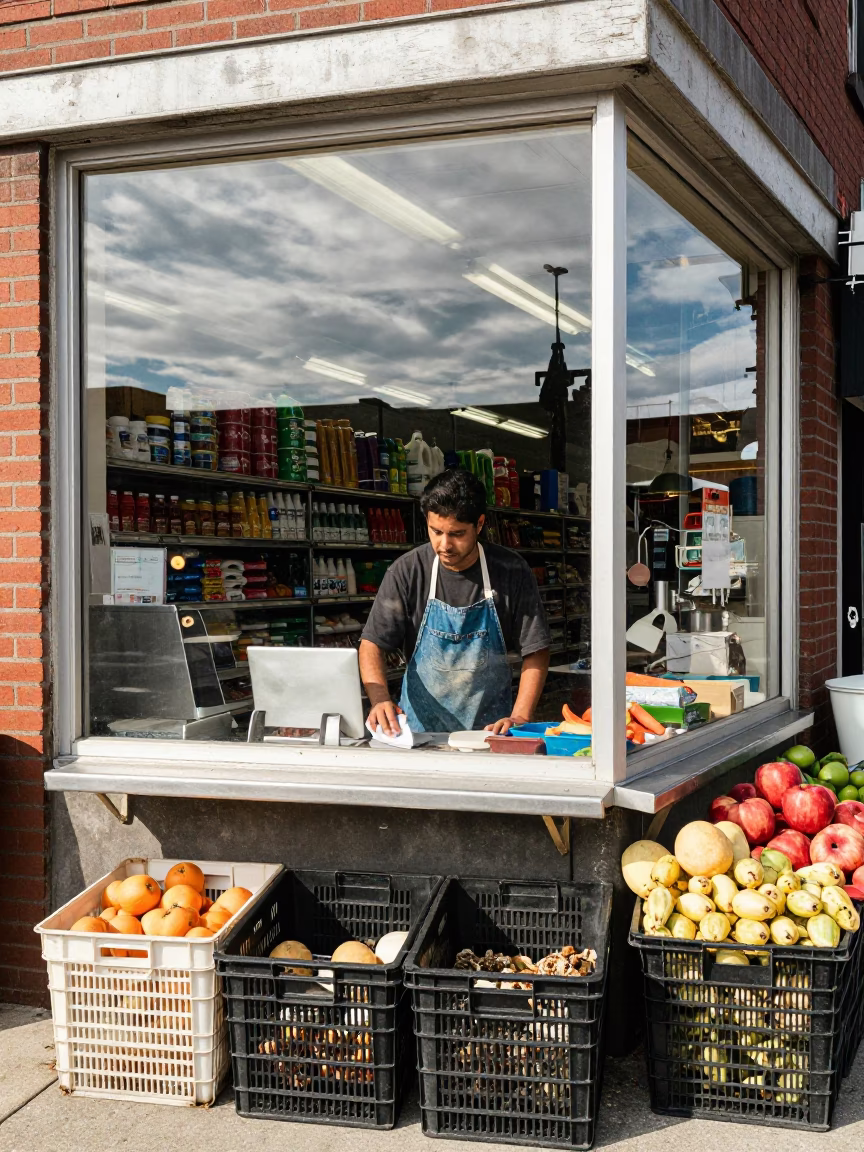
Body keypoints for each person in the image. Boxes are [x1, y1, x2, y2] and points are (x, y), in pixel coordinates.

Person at [359, 468, 551, 735]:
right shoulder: (408, 571)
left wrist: (519, 716)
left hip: (490, 732)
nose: (444, 544)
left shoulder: (511, 571)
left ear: (480, 524)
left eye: (457, 534)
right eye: (436, 531)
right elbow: (372, 644)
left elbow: (536, 650)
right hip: (419, 733)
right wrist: (379, 699)